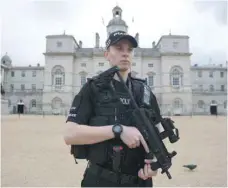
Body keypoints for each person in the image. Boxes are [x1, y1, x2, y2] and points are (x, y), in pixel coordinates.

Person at [64, 30, 162, 187]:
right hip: (100, 181)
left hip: (139, 182)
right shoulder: (93, 88)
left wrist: (154, 163)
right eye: (118, 48)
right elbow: (69, 134)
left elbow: (157, 132)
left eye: (129, 50)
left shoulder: (144, 91)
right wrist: (119, 130)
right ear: (107, 54)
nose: (125, 54)